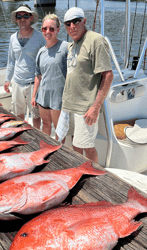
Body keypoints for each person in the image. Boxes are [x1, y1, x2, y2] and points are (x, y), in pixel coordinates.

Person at [56, 7, 114, 163]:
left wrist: (95, 107)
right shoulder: (71, 45)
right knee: (75, 144)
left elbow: (108, 75)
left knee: (87, 146)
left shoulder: (96, 40)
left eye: (76, 21)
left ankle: (94, 175)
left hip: (85, 108)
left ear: (84, 21)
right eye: (68, 23)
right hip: (69, 106)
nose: (72, 26)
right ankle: (80, 169)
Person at [4, 4, 45, 129]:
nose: (22, 19)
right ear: (16, 19)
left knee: (36, 115)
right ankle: (21, 133)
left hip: (34, 83)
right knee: (18, 114)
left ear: (31, 17)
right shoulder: (12, 38)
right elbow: (11, 60)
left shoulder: (40, 37)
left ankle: (37, 136)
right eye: (19, 16)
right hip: (17, 82)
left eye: (26, 16)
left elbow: (45, 59)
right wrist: (7, 79)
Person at [31, 14, 68, 140]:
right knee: (45, 124)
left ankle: (59, 152)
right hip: (43, 97)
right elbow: (38, 75)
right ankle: (45, 147)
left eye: (51, 29)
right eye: (44, 29)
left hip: (59, 97)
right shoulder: (41, 52)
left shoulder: (65, 47)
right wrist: (34, 95)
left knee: (59, 129)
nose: (48, 32)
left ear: (58, 29)